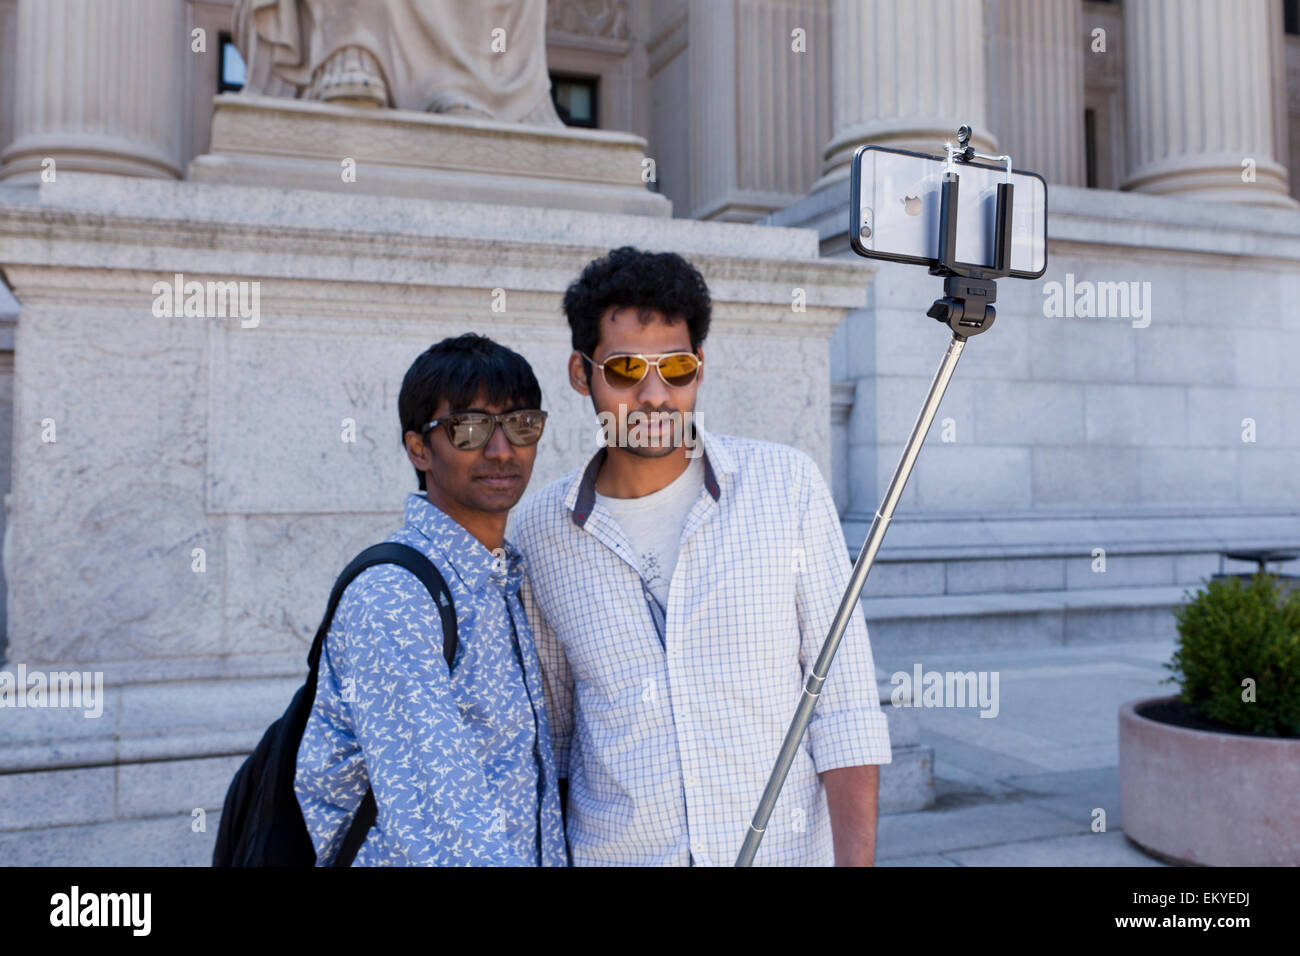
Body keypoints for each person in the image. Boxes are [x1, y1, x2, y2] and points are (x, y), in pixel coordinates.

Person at [509, 247, 893, 867]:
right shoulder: (538, 532)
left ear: (700, 368)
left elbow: (844, 707)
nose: (656, 396)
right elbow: (556, 734)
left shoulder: (786, 487)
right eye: (627, 369)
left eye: (678, 369)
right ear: (582, 374)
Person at [294, 333, 565, 865]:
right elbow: (441, 821)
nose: (501, 450)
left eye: (521, 425)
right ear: (419, 447)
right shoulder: (394, 595)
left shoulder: (502, 577)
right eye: (469, 428)